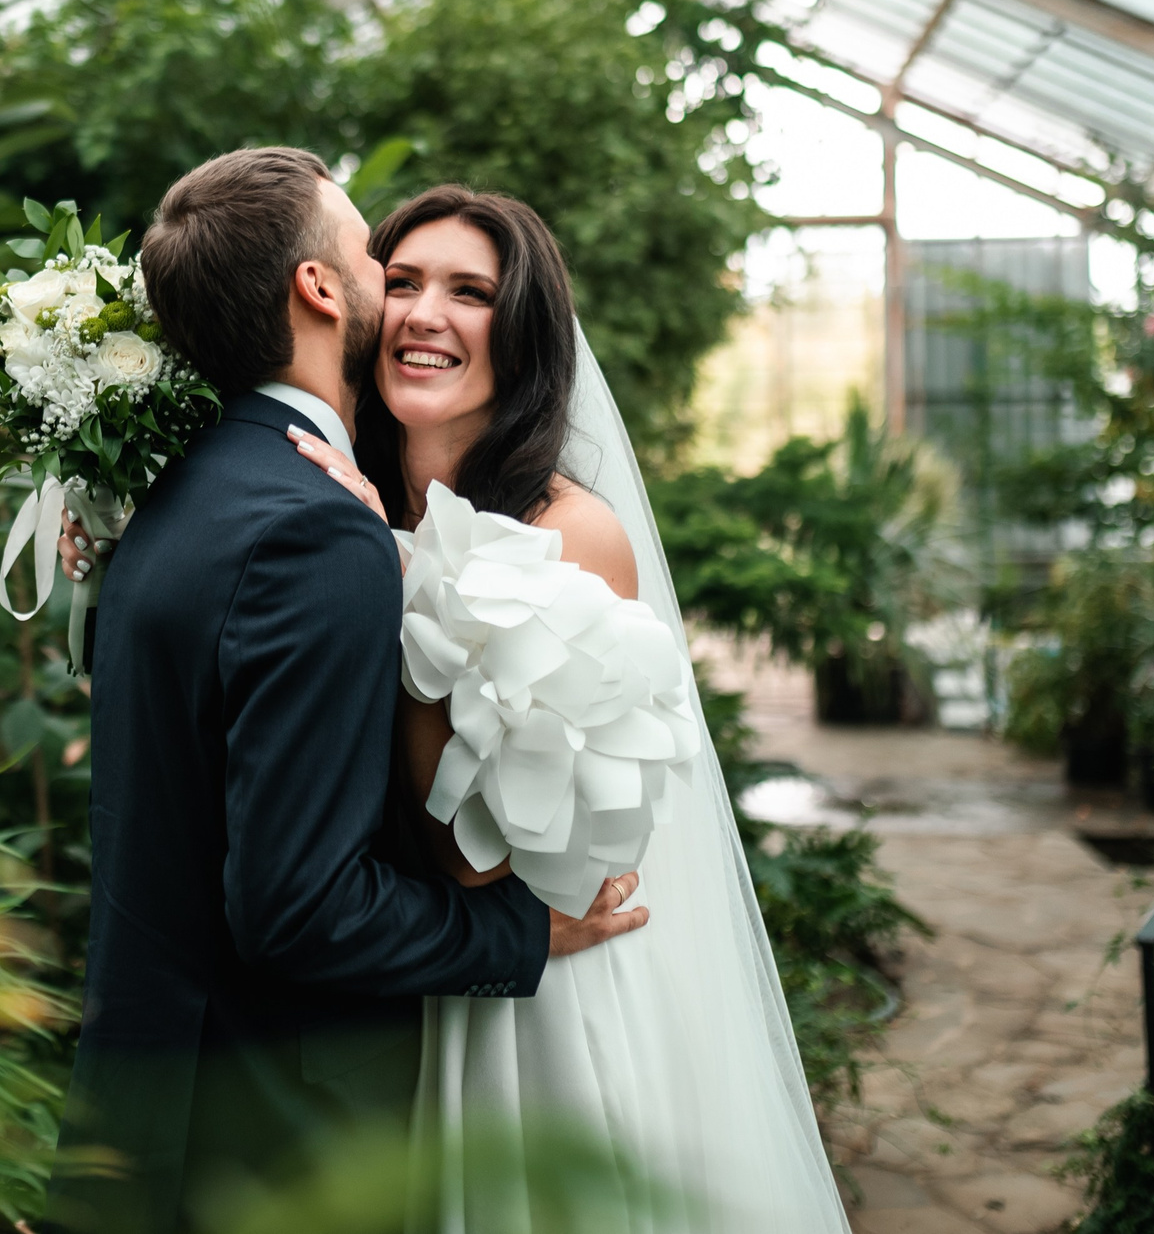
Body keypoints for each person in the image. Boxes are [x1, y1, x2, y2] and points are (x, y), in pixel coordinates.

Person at [67, 179, 851, 1231]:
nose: (424, 312)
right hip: (388, 998)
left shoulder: (568, 536)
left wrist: (408, 580)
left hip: (526, 992)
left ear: (522, 333)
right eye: (399, 279)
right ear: (347, 298)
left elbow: (484, 857)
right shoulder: (329, 507)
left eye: (471, 290)